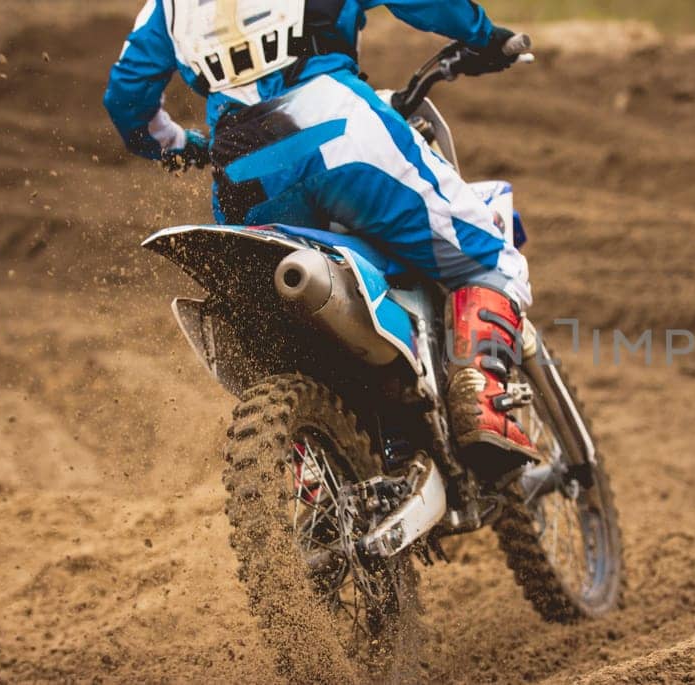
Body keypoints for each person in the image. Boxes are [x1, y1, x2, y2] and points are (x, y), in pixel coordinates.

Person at [103, 0, 538, 477]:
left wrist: (177, 145)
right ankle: (480, 394)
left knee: (292, 331)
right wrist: (484, 36)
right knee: (488, 260)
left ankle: (330, 462)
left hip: (244, 173)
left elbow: (127, 99)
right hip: (340, 132)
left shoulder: (168, 6)